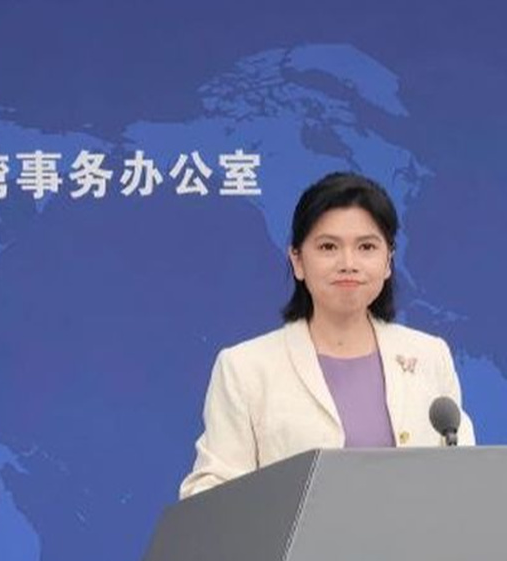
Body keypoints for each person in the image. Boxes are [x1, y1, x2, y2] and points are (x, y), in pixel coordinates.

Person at [179, 172, 474, 499]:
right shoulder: (245, 368)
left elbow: (466, 478)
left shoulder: (430, 356)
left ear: (388, 261)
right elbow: (208, 494)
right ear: (297, 260)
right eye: (328, 247)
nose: (348, 263)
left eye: (366, 247)